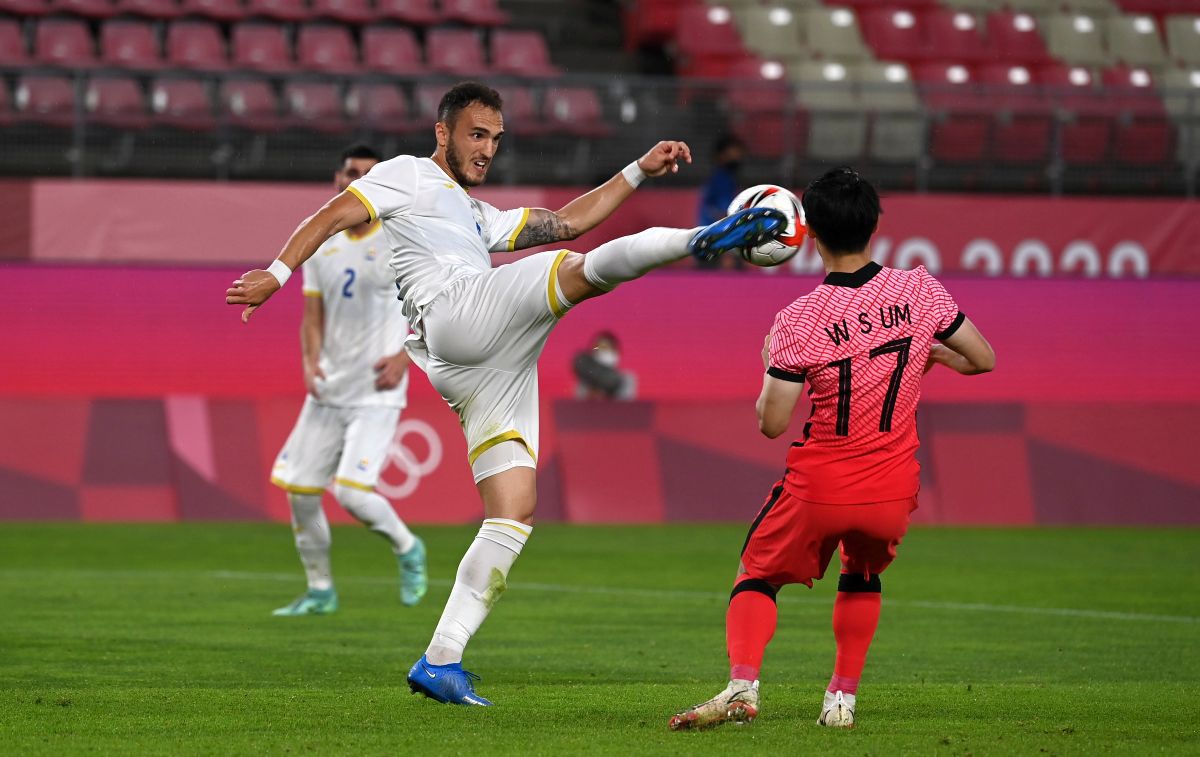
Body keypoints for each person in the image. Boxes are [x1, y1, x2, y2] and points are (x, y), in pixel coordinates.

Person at [226, 82, 787, 705]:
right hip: (457, 312)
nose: (487, 148)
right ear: (442, 132)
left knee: (514, 508)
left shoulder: (476, 215)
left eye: (495, 138)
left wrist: (637, 170)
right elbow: (333, 214)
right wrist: (276, 273)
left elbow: (568, 219)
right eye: (476, 134)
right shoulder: (407, 174)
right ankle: (701, 238)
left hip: (479, 364)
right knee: (573, 271)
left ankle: (441, 660)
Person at [669, 167, 995, 731]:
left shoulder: (799, 319)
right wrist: (930, 353)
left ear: (811, 233)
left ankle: (742, 686)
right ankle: (841, 699)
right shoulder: (920, 290)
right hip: (892, 489)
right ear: (875, 226)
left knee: (756, 574)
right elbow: (982, 359)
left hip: (820, 485)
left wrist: (769, 361)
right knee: (862, 575)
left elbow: (772, 424)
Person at [268, 145, 427, 617]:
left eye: (368, 174)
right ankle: (320, 591)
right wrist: (309, 360)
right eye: (351, 173)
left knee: (353, 494)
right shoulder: (320, 241)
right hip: (329, 389)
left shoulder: (400, 239)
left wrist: (405, 355)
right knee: (301, 492)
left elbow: (432, 306)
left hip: (376, 391)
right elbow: (312, 313)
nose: (357, 180)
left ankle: (408, 548)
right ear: (337, 179)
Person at [695, 134, 746, 270]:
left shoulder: (724, 178)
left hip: (709, 237)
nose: (737, 158)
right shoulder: (721, 179)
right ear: (721, 156)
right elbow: (721, 213)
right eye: (733, 154)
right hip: (716, 238)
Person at [573, 331, 637, 400]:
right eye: (598, 348)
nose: (602, 351)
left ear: (616, 351)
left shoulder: (626, 379)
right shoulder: (584, 382)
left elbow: (626, 403)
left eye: (606, 347)